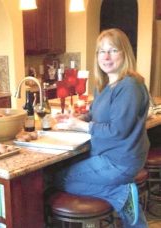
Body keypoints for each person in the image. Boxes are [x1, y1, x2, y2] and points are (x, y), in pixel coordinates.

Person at [54, 28, 150, 227]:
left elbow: (117, 130)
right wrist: (77, 117)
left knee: (62, 179)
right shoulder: (105, 84)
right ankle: (122, 196)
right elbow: (96, 114)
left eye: (113, 50)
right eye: (101, 51)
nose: (106, 57)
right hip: (109, 156)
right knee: (57, 173)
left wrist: (81, 126)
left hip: (120, 160)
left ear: (125, 53)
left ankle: (120, 193)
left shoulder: (129, 85)